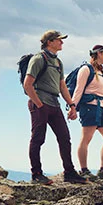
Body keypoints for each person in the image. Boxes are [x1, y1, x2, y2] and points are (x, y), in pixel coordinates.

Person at [24, 30, 88, 185]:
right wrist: (39, 104)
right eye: (59, 40)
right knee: (38, 138)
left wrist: (72, 105)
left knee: (65, 138)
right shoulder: (38, 59)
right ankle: (36, 174)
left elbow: (62, 86)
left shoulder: (58, 62)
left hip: (54, 103)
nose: (62, 42)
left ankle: (69, 172)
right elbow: (27, 84)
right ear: (49, 42)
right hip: (40, 102)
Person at [71, 44, 103, 182]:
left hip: (102, 108)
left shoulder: (101, 73)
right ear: (98, 54)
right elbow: (79, 89)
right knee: (86, 139)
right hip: (90, 107)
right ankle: (84, 170)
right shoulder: (86, 69)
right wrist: (72, 107)